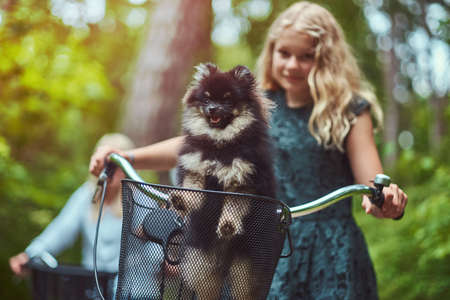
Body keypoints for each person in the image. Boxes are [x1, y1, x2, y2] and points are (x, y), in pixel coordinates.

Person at [89, 2, 408, 299]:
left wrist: (384, 200)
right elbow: (195, 146)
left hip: (332, 248)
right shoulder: (255, 104)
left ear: (326, 58)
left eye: (306, 56)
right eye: (284, 53)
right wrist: (129, 157)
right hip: (265, 241)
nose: (293, 64)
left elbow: (371, 186)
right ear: (272, 52)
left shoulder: (349, 110)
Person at [9, 133, 135, 278]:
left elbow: (153, 247)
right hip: (93, 287)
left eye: (117, 164)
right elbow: (61, 229)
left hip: (131, 289)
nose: (111, 170)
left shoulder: (139, 199)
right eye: (107, 163)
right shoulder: (86, 194)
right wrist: (30, 254)